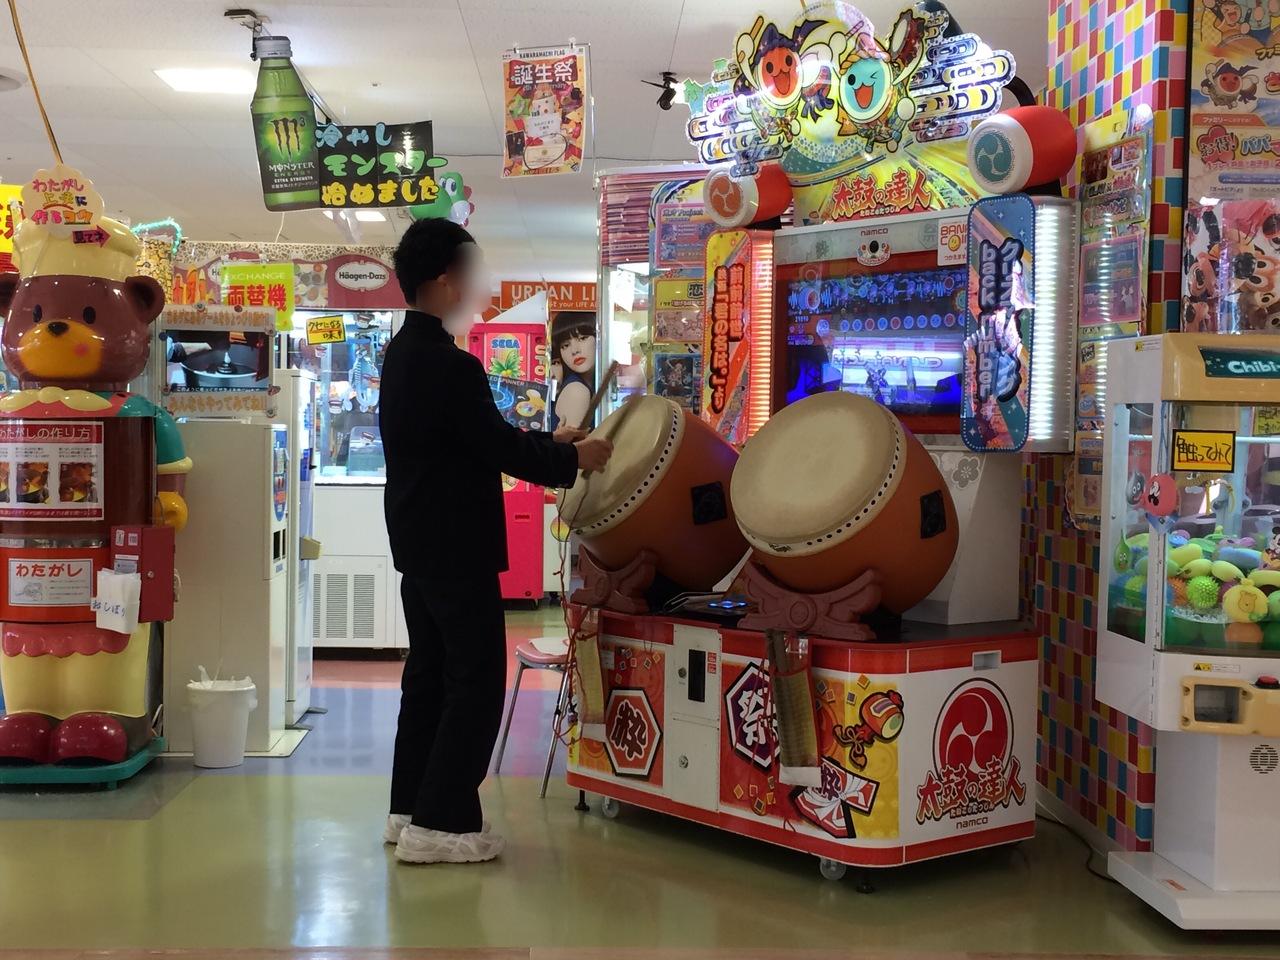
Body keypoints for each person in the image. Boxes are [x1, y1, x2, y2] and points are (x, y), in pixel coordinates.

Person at [380, 219, 612, 864]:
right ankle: (443, 823)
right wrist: (575, 458)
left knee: (429, 676)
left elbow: (474, 440)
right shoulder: (452, 364)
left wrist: (551, 443)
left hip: (420, 543)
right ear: (442, 281)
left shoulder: (402, 354)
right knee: (474, 681)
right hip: (457, 545)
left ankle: (409, 809)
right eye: (470, 273)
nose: (479, 286)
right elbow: (494, 446)